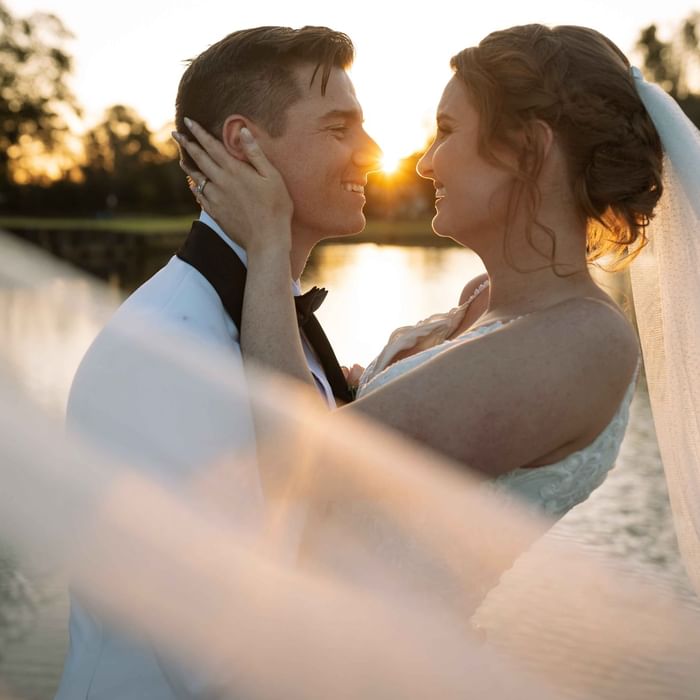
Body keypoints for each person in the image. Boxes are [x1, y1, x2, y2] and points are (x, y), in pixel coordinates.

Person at [178, 23, 657, 518]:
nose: (426, 163)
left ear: (528, 152)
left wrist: (268, 239)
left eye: (446, 131)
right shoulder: (481, 297)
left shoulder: (583, 341)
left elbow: (302, 471)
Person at [55, 25, 380, 700]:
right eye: (338, 127)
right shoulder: (168, 350)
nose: (371, 151)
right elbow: (206, 650)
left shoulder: (271, 323)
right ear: (245, 145)